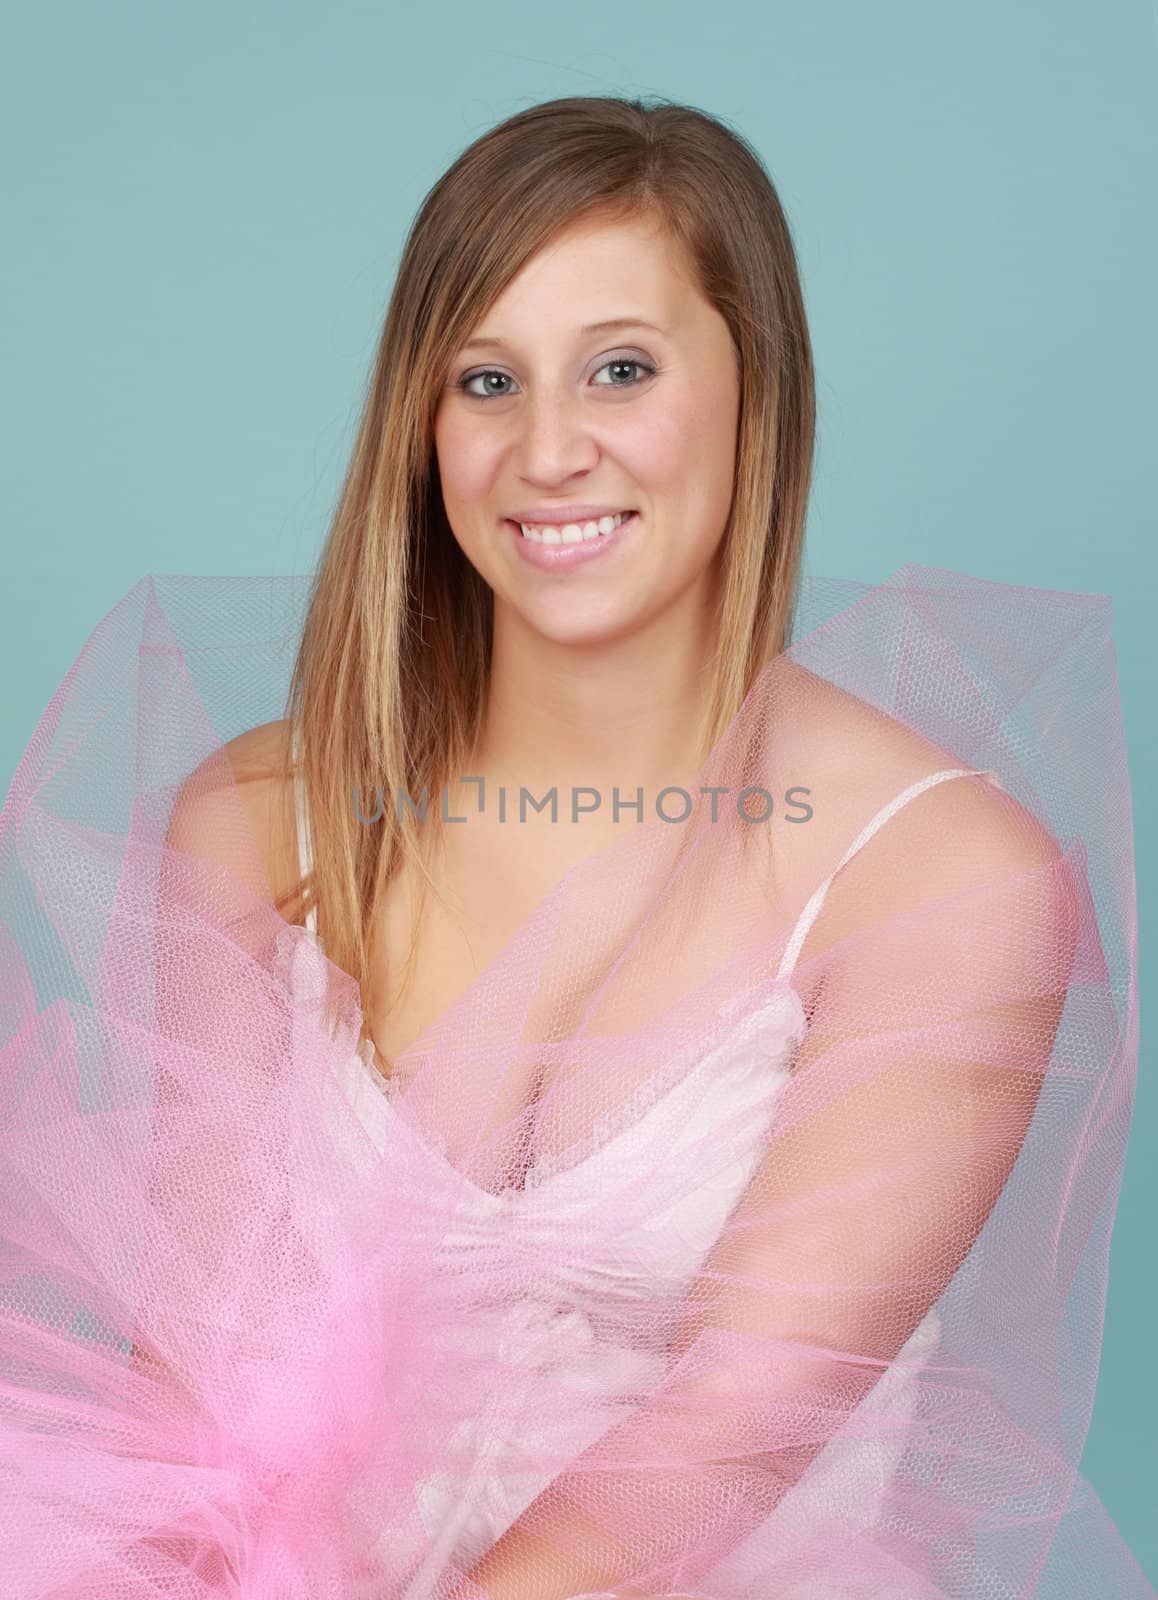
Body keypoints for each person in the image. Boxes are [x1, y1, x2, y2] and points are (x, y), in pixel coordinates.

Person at [0, 96, 1147, 1600]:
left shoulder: (945, 880)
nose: (548, 450)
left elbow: (736, 1425)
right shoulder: (255, 824)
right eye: (487, 379)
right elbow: (191, 1383)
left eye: (621, 368)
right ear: (421, 423)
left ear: (757, 391)